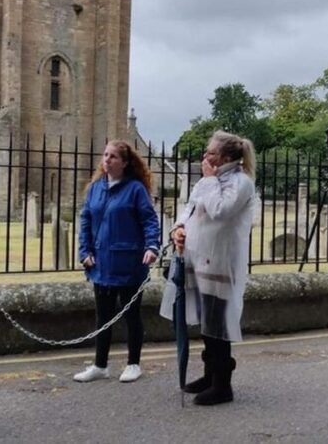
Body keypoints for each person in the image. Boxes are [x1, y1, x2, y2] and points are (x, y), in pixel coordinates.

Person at [160, 131, 257, 406]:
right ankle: (210, 374)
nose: (205, 157)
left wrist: (210, 180)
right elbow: (188, 209)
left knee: (218, 324)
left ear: (226, 157)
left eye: (211, 153)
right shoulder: (209, 181)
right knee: (206, 323)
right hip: (198, 260)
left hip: (221, 263)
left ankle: (222, 385)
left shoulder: (241, 183)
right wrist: (178, 229)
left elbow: (220, 210)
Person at [75, 140, 160, 383]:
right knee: (103, 317)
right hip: (101, 263)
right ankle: (100, 365)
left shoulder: (135, 189)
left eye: (113, 156)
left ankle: (133, 363)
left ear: (124, 163)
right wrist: (85, 251)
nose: (107, 160)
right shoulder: (95, 188)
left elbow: (149, 221)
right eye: (105, 155)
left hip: (129, 262)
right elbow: (86, 221)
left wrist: (152, 246)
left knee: (131, 315)